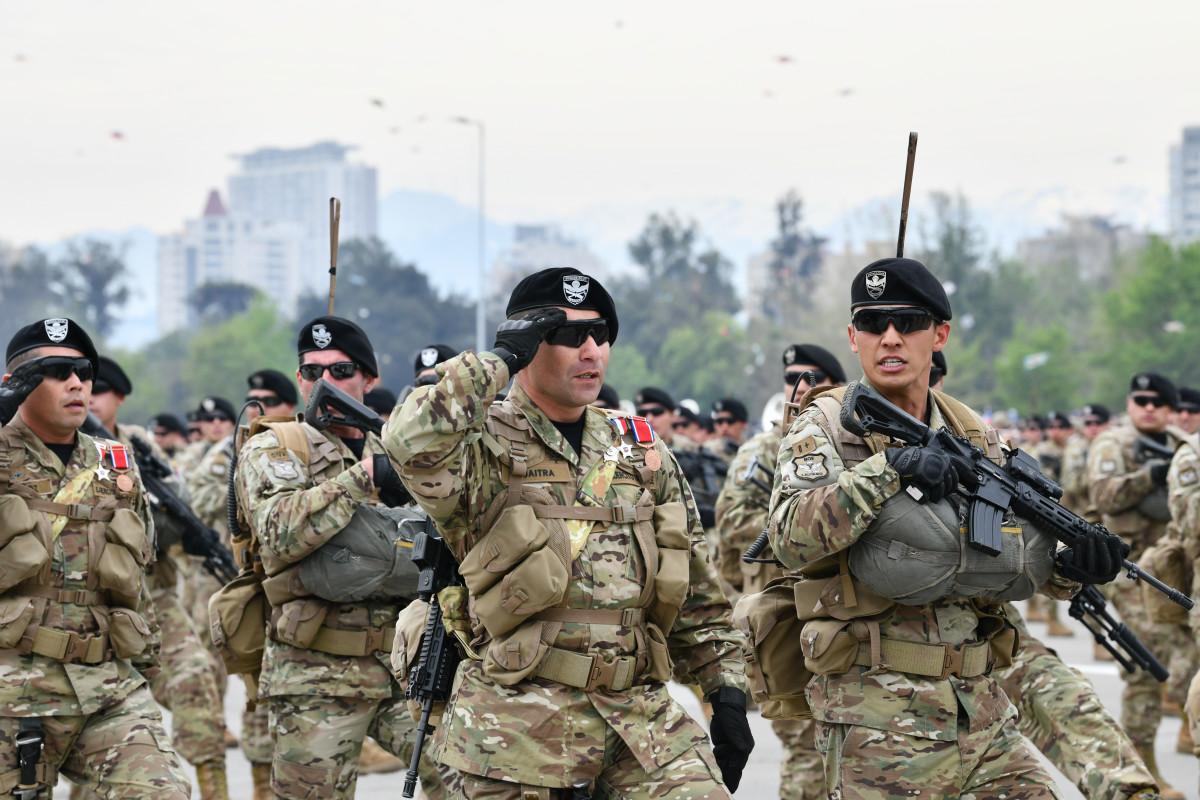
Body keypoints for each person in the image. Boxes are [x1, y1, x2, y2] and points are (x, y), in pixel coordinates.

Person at [384, 267, 753, 799]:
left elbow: (696, 589)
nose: (590, 351)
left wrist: (727, 691)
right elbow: (407, 440)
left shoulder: (639, 449)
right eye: (566, 335)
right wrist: (499, 360)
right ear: (528, 341)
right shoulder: (478, 444)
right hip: (514, 727)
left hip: (639, 722)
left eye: (600, 334)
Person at [767, 258, 1120, 798]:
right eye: (871, 324)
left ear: (939, 336)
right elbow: (789, 539)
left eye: (907, 323)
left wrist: (1071, 569)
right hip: (878, 715)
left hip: (980, 707)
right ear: (852, 337)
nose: (889, 338)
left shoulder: (974, 433)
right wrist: (889, 470)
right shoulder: (826, 427)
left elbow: (1007, 548)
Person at [234, 316, 458, 799]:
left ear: (369, 380)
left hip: (408, 665)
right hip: (317, 671)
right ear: (299, 380)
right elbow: (278, 533)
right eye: (311, 372)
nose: (323, 383)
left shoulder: (399, 448)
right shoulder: (275, 447)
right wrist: (362, 478)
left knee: (468, 780)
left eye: (339, 371)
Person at [0, 318, 191, 799]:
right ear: (15, 383)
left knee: (161, 791)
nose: (76, 383)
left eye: (84, 371)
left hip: (106, 689)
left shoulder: (114, 464)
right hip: (12, 696)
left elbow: (134, 577)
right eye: (56, 370)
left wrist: (144, 665)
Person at [79, 356, 231, 800]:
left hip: (150, 601)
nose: (85, 395)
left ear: (119, 398)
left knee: (197, 681)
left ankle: (215, 791)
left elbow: (175, 503)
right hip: (80, 608)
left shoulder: (139, 446)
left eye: (97, 389)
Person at [714, 342, 844, 800]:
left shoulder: (848, 441)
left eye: (811, 380)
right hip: (784, 616)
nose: (799, 388)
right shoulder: (766, 448)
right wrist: (797, 527)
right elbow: (731, 521)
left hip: (843, 619)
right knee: (809, 751)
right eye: (792, 380)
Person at [1088, 372, 1193, 795]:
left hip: (1173, 568)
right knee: (1147, 666)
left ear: (1170, 409)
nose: (1148, 407)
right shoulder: (1113, 444)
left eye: (1157, 401)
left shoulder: (1184, 445)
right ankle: (1141, 773)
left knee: (1186, 658)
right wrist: (1148, 476)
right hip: (1129, 569)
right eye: (1140, 399)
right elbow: (1104, 495)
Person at [704, 398, 749, 463]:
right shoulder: (708, 450)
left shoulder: (754, 449)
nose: (724, 427)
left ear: (743, 424)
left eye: (730, 421)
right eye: (720, 422)